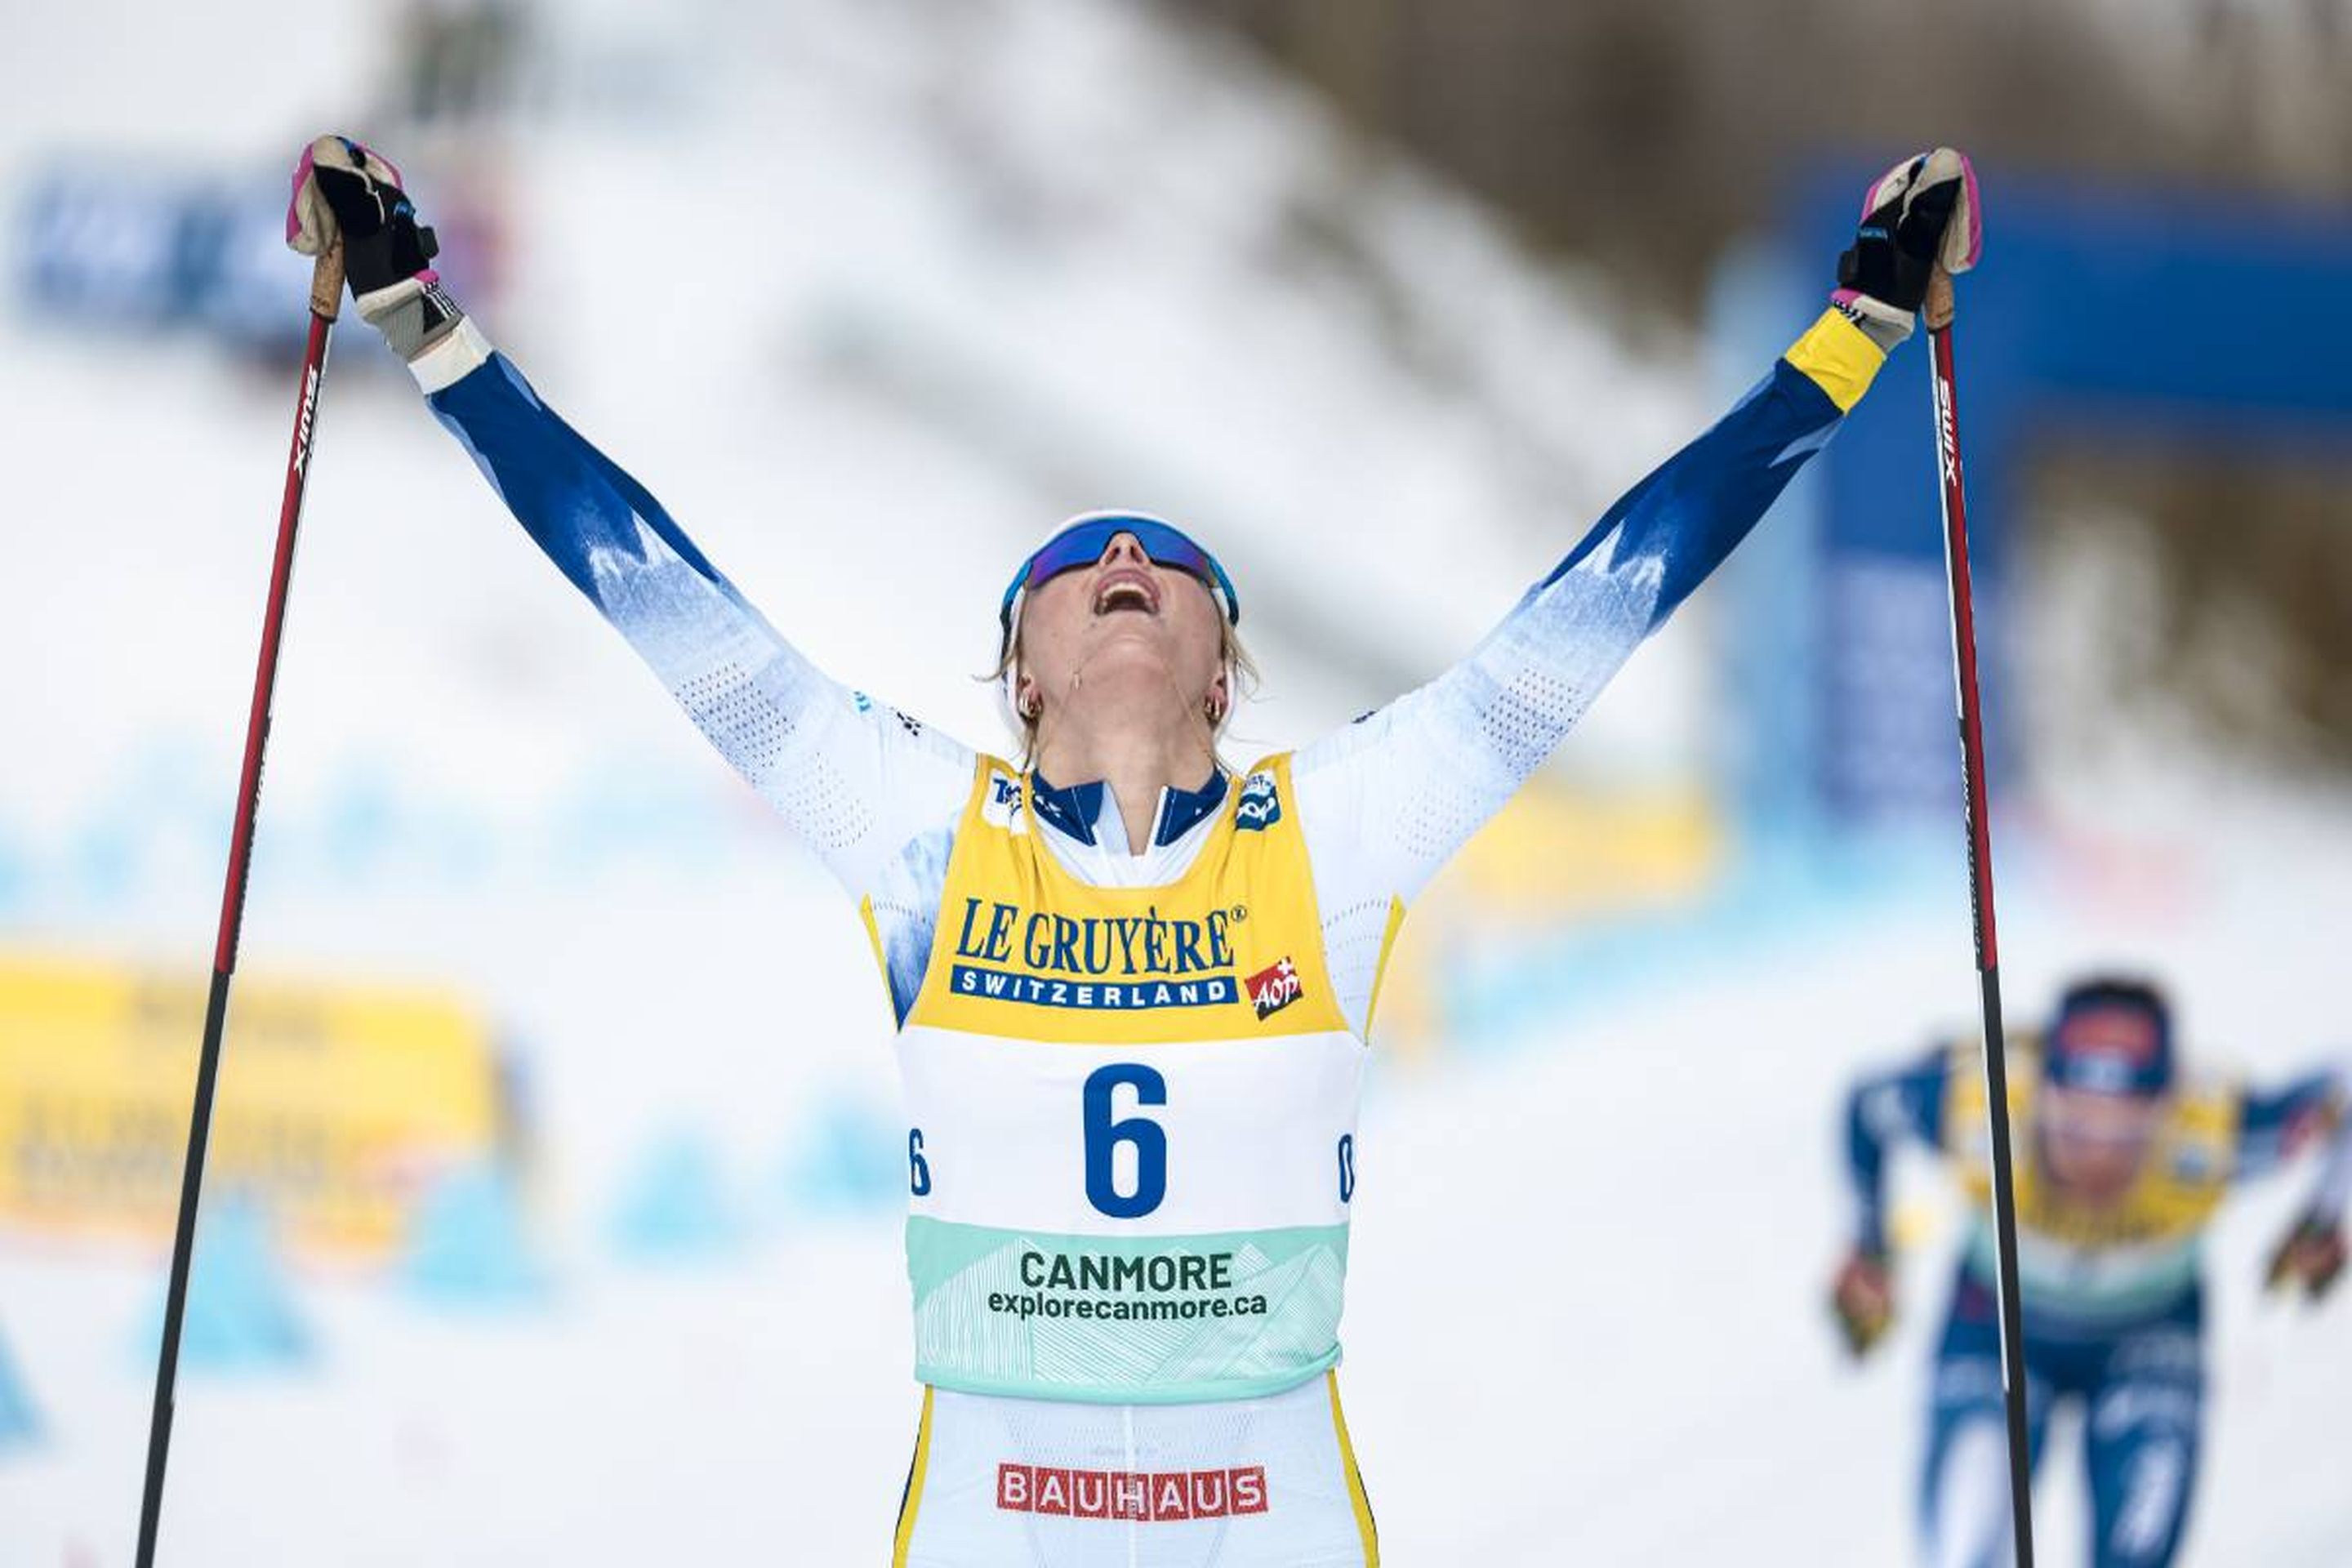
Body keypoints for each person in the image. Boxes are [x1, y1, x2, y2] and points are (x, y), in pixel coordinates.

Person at [288, 133, 1978, 1566]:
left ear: (1224, 661)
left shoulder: (1331, 836)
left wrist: (1852, 338)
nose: (1119, 557)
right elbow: (660, 600)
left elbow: (1596, 610)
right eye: (1077, 558)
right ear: (1016, 666)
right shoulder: (923, 837)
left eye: (1163, 559)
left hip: (1266, 1518)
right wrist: (424, 328)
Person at [1831, 976, 2352, 1568]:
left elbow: (2344, 1085)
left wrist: (2326, 1217)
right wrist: (1868, 1249)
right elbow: (1868, 1103)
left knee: (2136, 1552)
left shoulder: (2215, 1130)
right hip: (1997, 1326)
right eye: (2073, 1126)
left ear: (2167, 1107)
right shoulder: (1983, 1107)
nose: (2096, 1155)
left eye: (2127, 1132)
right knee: (1962, 1549)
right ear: (2043, 1093)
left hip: (2148, 1337)